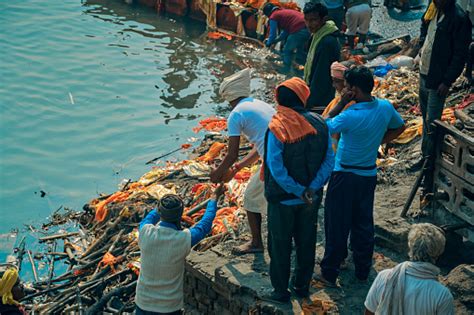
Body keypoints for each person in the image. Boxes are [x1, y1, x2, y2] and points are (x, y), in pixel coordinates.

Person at [318, 66, 406, 286]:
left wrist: (339, 104)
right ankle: (362, 270)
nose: (343, 91)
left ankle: (330, 272)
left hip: (344, 176)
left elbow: (322, 126)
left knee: (337, 225)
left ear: (354, 90)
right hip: (368, 174)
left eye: (346, 87)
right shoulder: (385, 108)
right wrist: (379, 141)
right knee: (362, 223)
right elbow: (400, 127)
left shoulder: (349, 116)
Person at [263, 77, 335, 303]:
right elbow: (329, 161)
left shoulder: (277, 126)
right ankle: (301, 286)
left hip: (283, 200)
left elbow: (276, 167)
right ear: (304, 97)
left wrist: (296, 190)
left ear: (279, 99)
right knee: (306, 242)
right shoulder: (321, 124)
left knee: (280, 245)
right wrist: (311, 188)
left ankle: (280, 291)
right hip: (309, 199)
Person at [210, 68, 276, 255]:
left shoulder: (236, 115)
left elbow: (232, 154)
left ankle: (256, 243)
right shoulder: (258, 104)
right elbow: (258, 147)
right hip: (280, 154)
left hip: (273, 160)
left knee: (250, 198)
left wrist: (217, 173)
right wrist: (236, 169)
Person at [135, 184, 225, 314]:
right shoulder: (184, 239)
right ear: (180, 215)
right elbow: (205, 223)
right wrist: (214, 197)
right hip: (169, 307)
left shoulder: (145, 232)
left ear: (161, 213)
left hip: (143, 303)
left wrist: (164, 202)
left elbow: (150, 216)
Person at [408, 0, 471, 181]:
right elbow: (424, 27)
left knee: (433, 121)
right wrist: (421, 44)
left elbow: (460, 55)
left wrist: (447, 81)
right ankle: (425, 156)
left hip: (438, 79)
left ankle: (430, 161)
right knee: (426, 120)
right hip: (424, 72)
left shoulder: (459, 19)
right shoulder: (433, 9)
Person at [364, 223, 454, 315]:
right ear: (439, 252)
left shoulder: (384, 277)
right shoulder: (442, 295)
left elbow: (369, 311)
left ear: (410, 246)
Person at [303, 2, 341, 113]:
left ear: (323, 19)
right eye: (306, 20)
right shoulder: (317, 34)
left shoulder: (326, 43)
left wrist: (310, 100)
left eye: (313, 20)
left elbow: (321, 76)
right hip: (315, 89)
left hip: (321, 96)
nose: (309, 24)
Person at [262, 3, 310, 72]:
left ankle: (285, 70)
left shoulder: (273, 16)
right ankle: (304, 69)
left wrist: (268, 44)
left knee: (287, 50)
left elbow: (273, 35)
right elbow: (284, 33)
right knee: (300, 51)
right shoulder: (283, 12)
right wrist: (275, 41)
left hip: (298, 30)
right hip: (308, 28)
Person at [322, 61, 355, 151]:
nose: (333, 85)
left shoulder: (351, 106)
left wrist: (341, 104)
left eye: (337, 81)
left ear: (347, 83)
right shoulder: (338, 100)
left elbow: (323, 125)